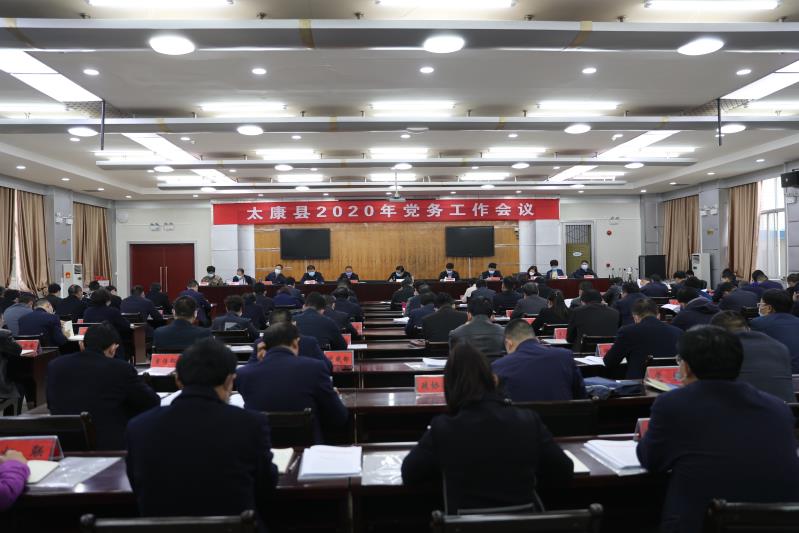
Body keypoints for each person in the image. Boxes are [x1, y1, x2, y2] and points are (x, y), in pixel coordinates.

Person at [636, 326, 799, 533]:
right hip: (777, 525)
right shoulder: (777, 407)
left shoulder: (674, 404)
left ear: (686, 367)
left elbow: (651, 460)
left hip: (702, 523)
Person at [401, 344, 573, 514]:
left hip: (464, 525)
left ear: (449, 387)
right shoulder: (528, 420)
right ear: (493, 379)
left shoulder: (443, 428)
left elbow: (409, 474)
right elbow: (564, 470)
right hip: (524, 524)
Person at [126, 339, 278, 520]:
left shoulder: (138, 427)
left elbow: (137, 487)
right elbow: (265, 487)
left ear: (177, 380)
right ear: (229, 381)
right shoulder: (250, 424)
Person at [48, 324, 159, 450]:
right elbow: (151, 402)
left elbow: (51, 404)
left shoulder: (55, 366)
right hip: (109, 446)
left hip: (65, 443)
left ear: (82, 345)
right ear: (112, 349)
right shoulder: (120, 369)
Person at [236, 322, 348, 443]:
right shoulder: (315, 368)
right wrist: (332, 395)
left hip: (262, 447)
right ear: (295, 343)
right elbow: (339, 417)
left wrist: (260, 362)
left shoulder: (243, 374)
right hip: (306, 448)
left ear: (263, 345)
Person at [493, 319, 587, 402]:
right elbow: (581, 396)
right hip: (565, 416)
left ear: (509, 344)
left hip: (520, 416)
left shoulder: (499, 366)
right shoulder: (565, 357)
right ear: (536, 339)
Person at [710, 311, 794, 402]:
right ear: (748, 328)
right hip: (786, 409)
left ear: (716, 334)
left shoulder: (720, 350)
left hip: (741, 408)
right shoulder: (780, 347)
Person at [603, 298, 683, 379]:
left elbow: (609, 362)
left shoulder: (627, 332)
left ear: (635, 317)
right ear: (658, 316)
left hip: (639, 383)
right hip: (673, 382)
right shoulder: (678, 332)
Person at [246, 309, 330, 371]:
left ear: (270, 326)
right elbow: (327, 367)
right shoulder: (309, 342)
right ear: (293, 324)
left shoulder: (260, 343)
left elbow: (249, 369)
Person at [750, 289, 799, 372]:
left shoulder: (758, 323)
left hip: (779, 372)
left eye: (760, 304)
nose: (759, 307)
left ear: (769, 308)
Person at [83, 289, 132, 360]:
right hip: (110, 343)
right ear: (107, 300)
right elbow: (126, 325)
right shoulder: (113, 311)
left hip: (91, 343)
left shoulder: (87, 311)